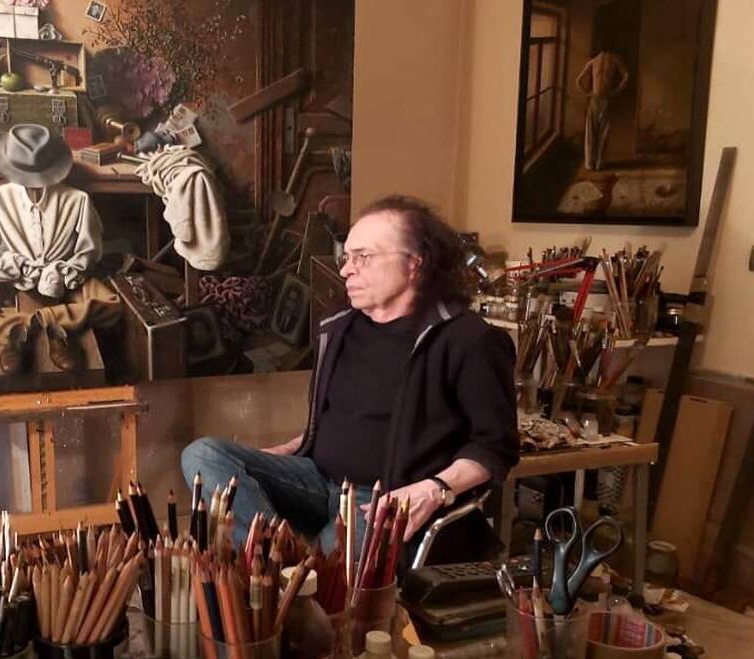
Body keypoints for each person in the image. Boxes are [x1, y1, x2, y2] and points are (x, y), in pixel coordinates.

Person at [180, 195, 519, 564]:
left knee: (321, 582)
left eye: (363, 257)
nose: (346, 270)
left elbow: (494, 447)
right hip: (316, 478)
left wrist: (434, 489)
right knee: (204, 455)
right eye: (347, 257)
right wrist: (294, 447)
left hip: (383, 500)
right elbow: (343, 418)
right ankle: (279, 561)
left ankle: (288, 572)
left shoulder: (468, 340)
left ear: (414, 263)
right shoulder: (338, 327)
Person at [0, 124, 121, 374]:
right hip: (15, 278)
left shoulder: (77, 199)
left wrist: (67, 272)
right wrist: (10, 267)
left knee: (110, 304)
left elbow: (89, 249)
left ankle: (49, 328)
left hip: (61, 280)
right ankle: (18, 333)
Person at [575, 50, 629, 171]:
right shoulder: (611, 59)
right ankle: (596, 162)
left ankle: (594, 162)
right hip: (601, 98)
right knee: (600, 131)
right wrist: (615, 91)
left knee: (595, 131)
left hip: (599, 98)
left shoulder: (595, 60)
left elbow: (578, 82)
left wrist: (589, 93)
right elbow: (626, 76)